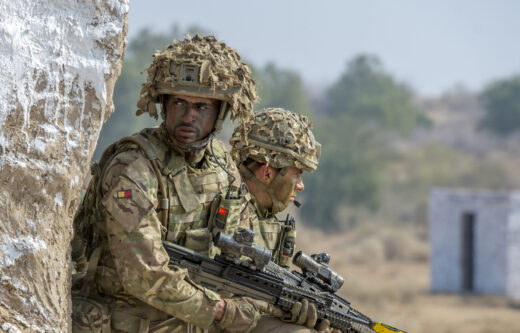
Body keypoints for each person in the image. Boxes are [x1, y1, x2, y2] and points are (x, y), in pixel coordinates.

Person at [71, 35, 278, 333]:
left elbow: (241, 255)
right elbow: (144, 274)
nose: (188, 116)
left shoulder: (222, 164)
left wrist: (269, 300)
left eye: (201, 107)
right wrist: (220, 312)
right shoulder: (134, 166)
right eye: (179, 102)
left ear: (220, 112)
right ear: (164, 104)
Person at [230, 108, 340, 333]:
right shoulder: (228, 208)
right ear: (267, 173)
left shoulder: (265, 217)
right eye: (297, 175)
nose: (300, 186)